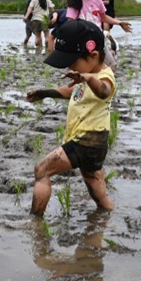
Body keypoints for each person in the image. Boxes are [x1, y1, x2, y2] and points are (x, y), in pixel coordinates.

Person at [27, 20, 116, 216]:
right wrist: (45, 93)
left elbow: (104, 92)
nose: (68, 66)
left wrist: (88, 78)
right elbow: (70, 93)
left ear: (93, 55)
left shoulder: (104, 76)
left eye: (72, 61)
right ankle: (106, 216)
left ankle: (36, 223)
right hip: (94, 143)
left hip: (86, 140)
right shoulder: (85, 74)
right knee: (94, 185)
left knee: (41, 170)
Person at [66, 0, 132, 69]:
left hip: (98, 39)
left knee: (112, 66)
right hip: (83, 42)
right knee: (87, 70)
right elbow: (70, 24)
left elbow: (104, 17)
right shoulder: (75, 1)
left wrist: (119, 23)